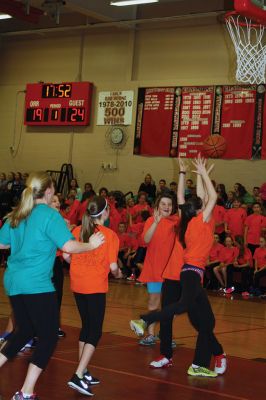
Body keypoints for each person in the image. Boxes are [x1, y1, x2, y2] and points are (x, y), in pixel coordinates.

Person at [0, 172, 104, 400]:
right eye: (54, 191)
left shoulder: (18, 214)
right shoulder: (50, 215)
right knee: (48, 337)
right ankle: (26, 392)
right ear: (47, 192)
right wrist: (90, 244)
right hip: (36, 283)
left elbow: (2, 242)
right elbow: (68, 246)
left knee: (24, 330)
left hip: (14, 280)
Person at [130, 156, 226, 378]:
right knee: (192, 316)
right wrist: (200, 173)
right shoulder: (197, 221)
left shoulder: (184, 220)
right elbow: (205, 197)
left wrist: (190, 174)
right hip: (186, 272)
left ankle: (217, 354)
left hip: (188, 273)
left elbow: (191, 197)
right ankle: (186, 357)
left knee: (201, 321)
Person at [66, 196, 122, 396]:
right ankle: (78, 375)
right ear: (105, 213)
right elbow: (114, 267)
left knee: (86, 326)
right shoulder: (110, 235)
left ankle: (84, 370)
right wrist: (118, 273)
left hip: (77, 284)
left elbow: (65, 255)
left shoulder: (76, 230)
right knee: (95, 331)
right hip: (95, 286)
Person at [137, 193, 178, 346]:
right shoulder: (150, 220)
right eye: (163, 204)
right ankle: (151, 334)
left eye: (169, 204)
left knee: (171, 306)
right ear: (157, 206)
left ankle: (166, 334)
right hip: (154, 268)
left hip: (171, 271)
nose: (167, 207)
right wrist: (156, 222)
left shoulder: (176, 222)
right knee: (154, 303)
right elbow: (145, 240)